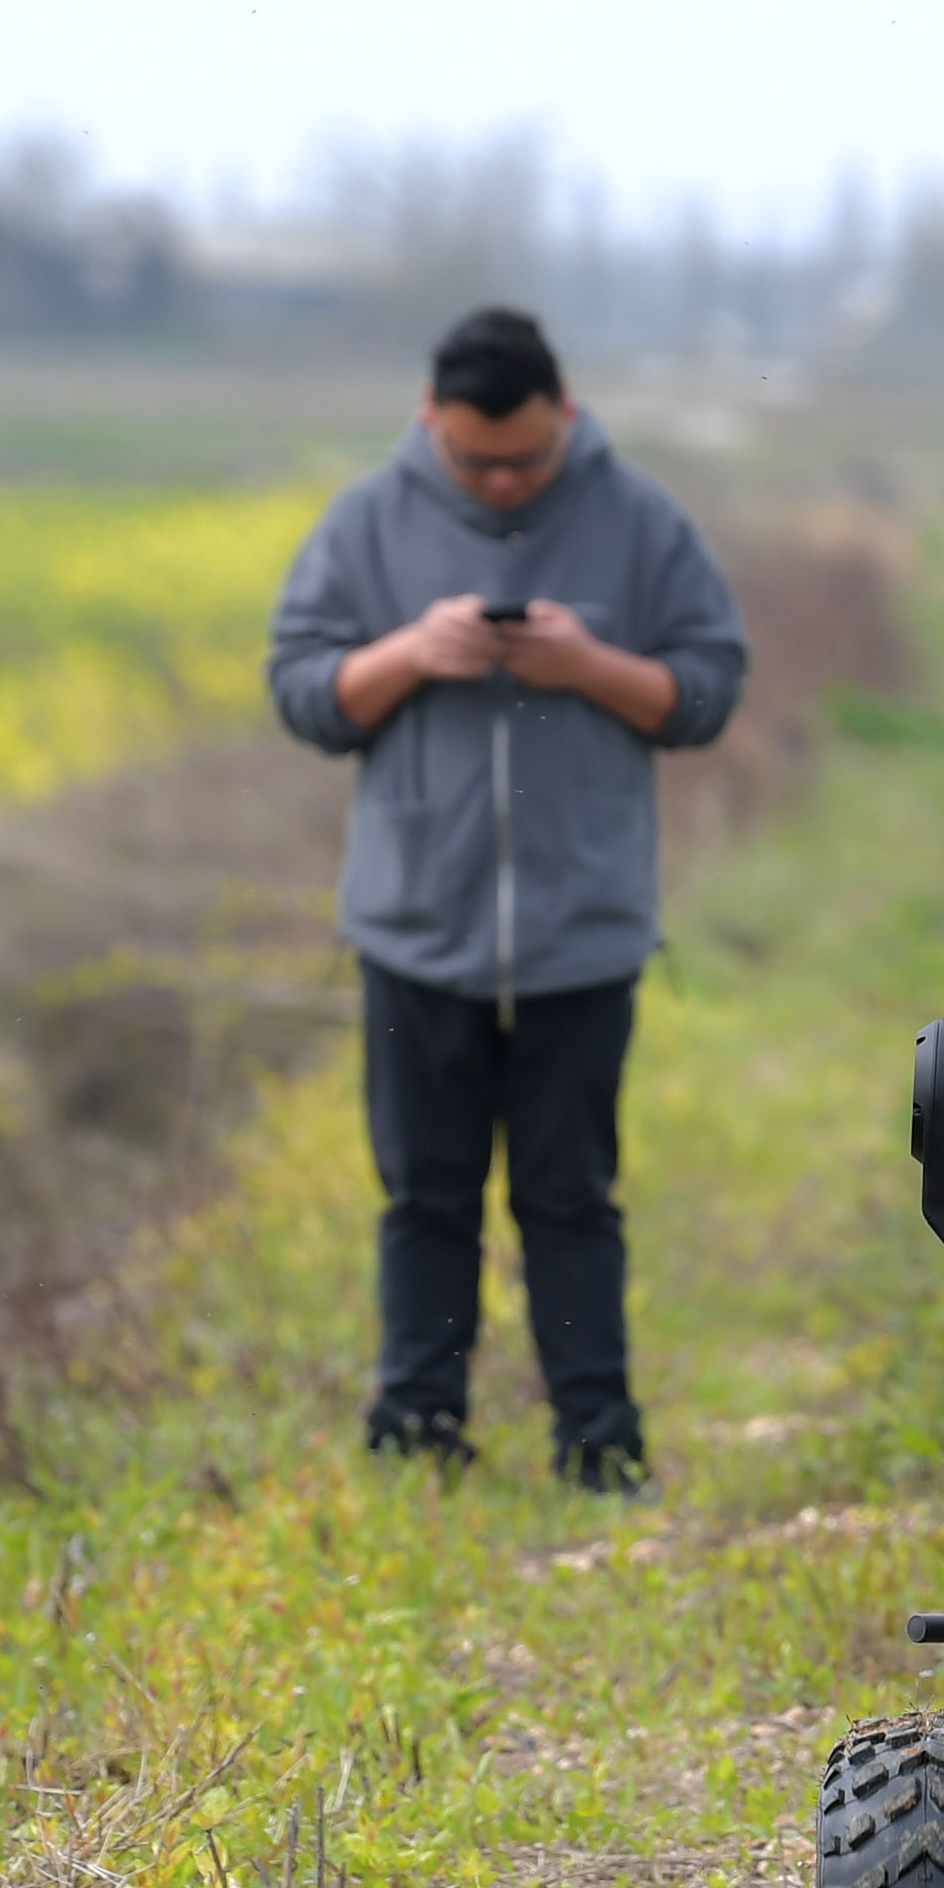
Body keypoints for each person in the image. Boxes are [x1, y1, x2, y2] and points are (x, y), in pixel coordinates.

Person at [267, 305, 751, 1492]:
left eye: (524, 460)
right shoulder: (367, 520)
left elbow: (706, 693)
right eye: (474, 459)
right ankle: (418, 1432)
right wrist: (405, 656)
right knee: (422, 1198)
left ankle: (598, 1441)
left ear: (567, 418)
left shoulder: (640, 521)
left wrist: (588, 666)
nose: (497, 482)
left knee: (569, 1199)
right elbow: (302, 691)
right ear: (430, 419)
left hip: (580, 937)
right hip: (412, 932)